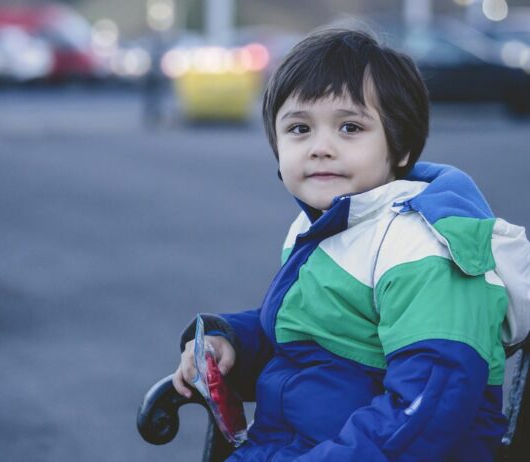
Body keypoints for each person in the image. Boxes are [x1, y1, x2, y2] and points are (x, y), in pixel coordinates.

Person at [172, 26, 529, 461]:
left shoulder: (422, 247)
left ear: (398, 149)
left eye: (349, 127)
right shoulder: (330, 224)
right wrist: (229, 342)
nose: (321, 147)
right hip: (288, 446)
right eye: (300, 128)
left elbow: (427, 411)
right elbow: (305, 334)